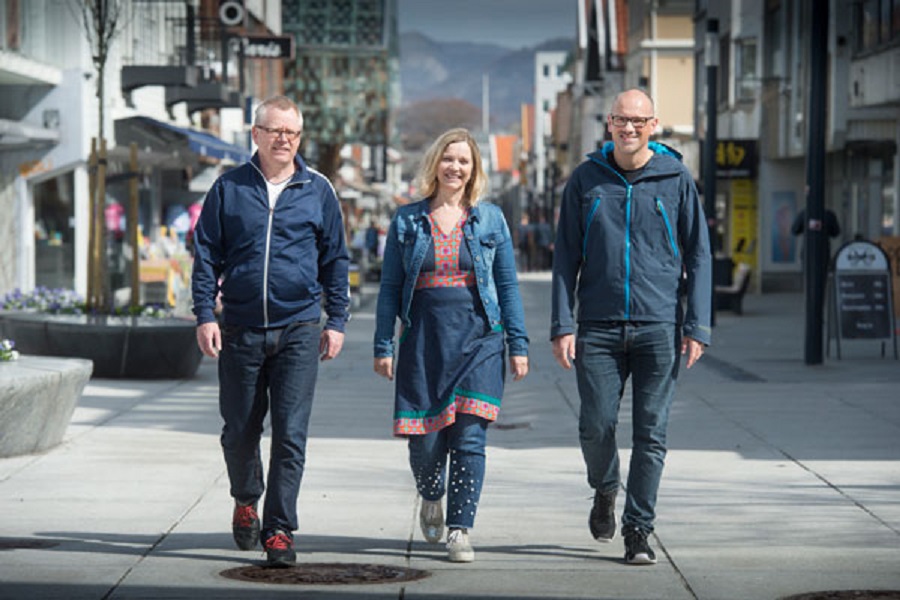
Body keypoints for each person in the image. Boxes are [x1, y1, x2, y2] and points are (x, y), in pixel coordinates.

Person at [550, 89, 711, 566]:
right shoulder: (586, 179)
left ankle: (638, 529)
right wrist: (562, 323)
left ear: (653, 125)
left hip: (658, 324)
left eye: (639, 121)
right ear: (609, 123)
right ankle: (605, 487)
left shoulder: (675, 178)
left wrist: (698, 324)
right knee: (595, 425)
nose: (629, 128)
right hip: (597, 326)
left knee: (651, 433)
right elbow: (565, 256)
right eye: (622, 119)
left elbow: (699, 253)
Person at [191, 95, 350, 568]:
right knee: (239, 430)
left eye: (292, 132)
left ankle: (279, 529)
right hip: (240, 327)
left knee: (290, 434)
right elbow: (206, 255)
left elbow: (335, 259)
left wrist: (336, 321)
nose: (284, 139)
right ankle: (246, 498)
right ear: (256, 134)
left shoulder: (318, 189)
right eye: (276, 130)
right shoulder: (228, 188)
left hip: (298, 326)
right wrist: (205, 315)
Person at [373, 128, 529, 563]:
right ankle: (431, 493)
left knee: (470, 437)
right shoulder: (407, 220)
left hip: (481, 339)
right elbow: (389, 288)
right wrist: (383, 344)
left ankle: (460, 528)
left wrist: (518, 343)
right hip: (424, 340)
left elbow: (507, 286)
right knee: (425, 445)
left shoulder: (490, 219)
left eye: (463, 161)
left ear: (473, 169)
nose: (455, 167)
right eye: (448, 158)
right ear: (434, 164)